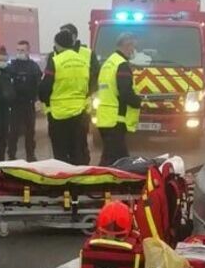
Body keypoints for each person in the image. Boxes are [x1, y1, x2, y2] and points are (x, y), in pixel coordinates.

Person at [39, 29, 90, 164]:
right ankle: (78, 180)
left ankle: (63, 182)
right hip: (79, 112)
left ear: (57, 44)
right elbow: (88, 85)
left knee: (61, 154)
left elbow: (45, 86)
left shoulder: (56, 61)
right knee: (77, 152)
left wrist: (44, 98)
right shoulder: (83, 61)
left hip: (59, 114)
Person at [96, 33, 144, 166]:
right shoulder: (121, 65)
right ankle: (108, 184)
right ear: (126, 45)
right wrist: (138, 102)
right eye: (132, 47)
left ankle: (101, 184)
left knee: (109, 159)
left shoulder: (108, 63)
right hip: (116, 119)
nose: (133, 50)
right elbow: (125, 92)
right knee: (120, 162)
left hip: (106, 118)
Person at [59, 23, 99, 163]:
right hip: (61, 109)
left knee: (80, 143)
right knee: (64, 145)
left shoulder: (87, 53)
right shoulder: (57, 54)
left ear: (74, 36)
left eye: (66, 35)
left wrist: (87, 93)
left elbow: (95, 76)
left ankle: (82, 169)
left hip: (82, 107)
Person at [7, 40, 42, 161]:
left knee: (30, 132)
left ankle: (30, 155)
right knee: (13, 132)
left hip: (29, 103)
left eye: (22, 50)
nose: (20, 53)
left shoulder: (33, 66)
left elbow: (38, 84)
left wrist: (38, 99)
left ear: (28, 51)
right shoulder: (12, 66)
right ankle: (11, 155)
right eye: (18, 50)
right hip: (16, 104)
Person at [0, 47, 16, 160]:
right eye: (1, 60)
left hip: (6, 108)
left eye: (5, 60)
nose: (3, 62)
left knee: (4, 135)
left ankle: (2, 158)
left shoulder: (10, 71)